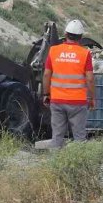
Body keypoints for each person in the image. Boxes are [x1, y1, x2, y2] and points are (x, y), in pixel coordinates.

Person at [42, 19, 95, 148]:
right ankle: (79, 166)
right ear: (81, 37)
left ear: (65, 34)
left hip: (57, 101)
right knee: (79, 138)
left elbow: (46, 74)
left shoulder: (53, 51)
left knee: (57, 137)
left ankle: (55, 165)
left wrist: (46, 94)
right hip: (78, 102)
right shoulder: (85, 53)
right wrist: (92, 98)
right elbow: (89, 78)